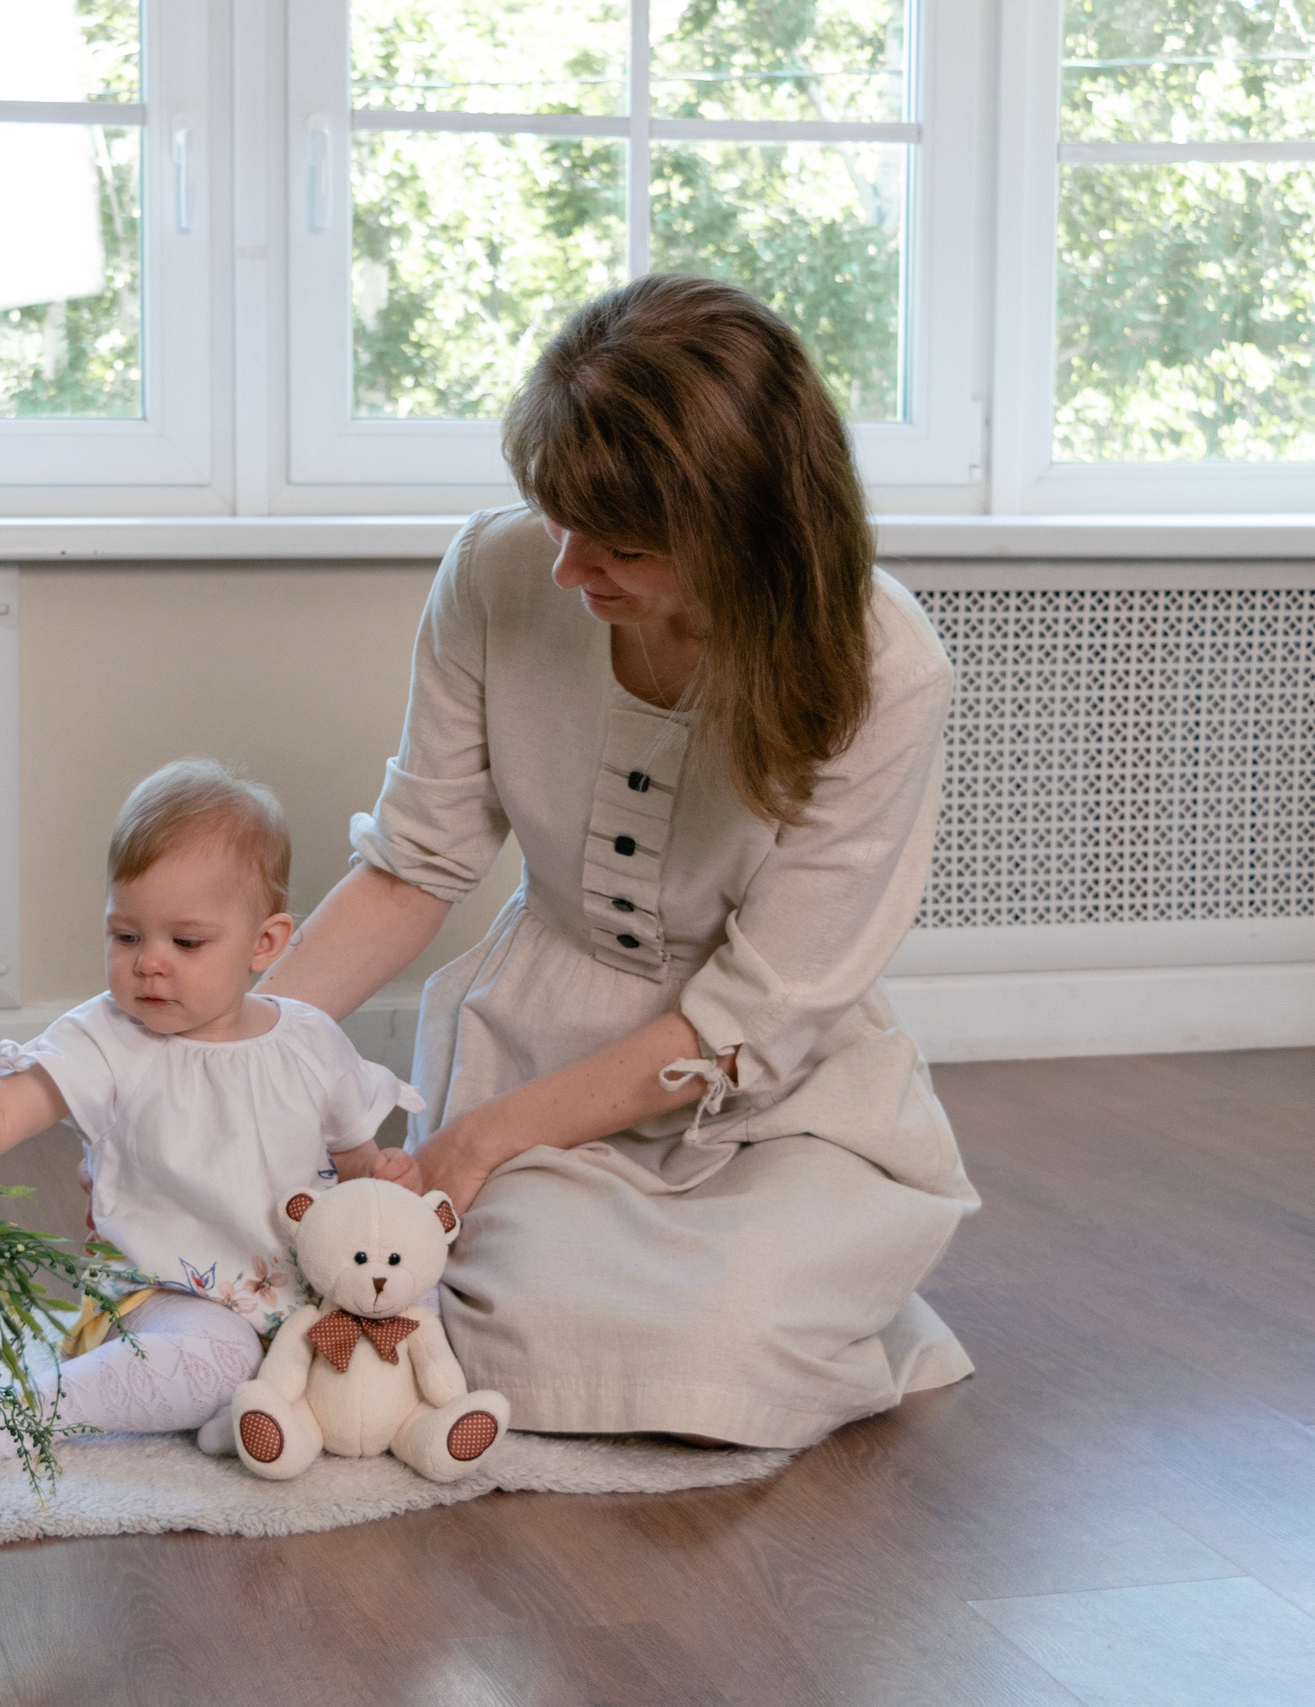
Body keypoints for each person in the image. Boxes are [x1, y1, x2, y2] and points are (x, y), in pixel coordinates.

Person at [256, 274, 982, 1449]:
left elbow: (747, 1019)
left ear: (747, 540)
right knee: (485, 1303)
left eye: (622, 545)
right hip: (540, 1053)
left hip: (778, 1099)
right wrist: (216, 1065)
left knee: (718, 1336)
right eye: (555, 516)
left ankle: (825, 1293)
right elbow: (413, 868)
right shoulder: (492, 577)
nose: (565, 568)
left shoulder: (884, 670)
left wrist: (472, 1143)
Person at [0, 757, 424, 1466]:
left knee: (414, 1307)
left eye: (186, 941)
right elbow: (2, 1118)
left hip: (300, 1306)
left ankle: (261, 1409)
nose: (149, 963)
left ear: (265, 942)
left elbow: (355, 1169)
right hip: (154, 1302)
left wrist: (386, 1181)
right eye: (126, 936)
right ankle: (14, 1416)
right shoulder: (108, 1038)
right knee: (216, 1355)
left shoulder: (309, 1041)